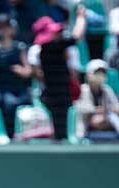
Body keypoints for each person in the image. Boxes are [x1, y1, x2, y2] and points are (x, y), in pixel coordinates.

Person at [28, 6, 87, 140]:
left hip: (54, 94)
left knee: (60, 131)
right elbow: (77, 36)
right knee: (61, 133)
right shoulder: (53, 47)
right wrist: (81, 17)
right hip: (59, 96)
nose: (58, 35)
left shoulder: (43, 50)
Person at [0, 15, 33, 137]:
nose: (4, 30)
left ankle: (14, 135)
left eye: (7, 27)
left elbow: (28, 71)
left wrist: (21, 70)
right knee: (5, 102)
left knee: (14, 102)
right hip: (0, 88)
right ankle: (5, 134)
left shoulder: (19, 47)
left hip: (18, 88)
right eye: (1, 27)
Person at [74, 58, 119, 143]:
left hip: (107, 128)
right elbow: (87, 114)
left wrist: (112, 112)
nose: (100, 76)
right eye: (97, 73)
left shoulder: (107, 90)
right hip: (86, 132)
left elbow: (118, 109)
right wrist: (100, 112)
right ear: (89, 75)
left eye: (103, 73)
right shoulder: (83, 90)